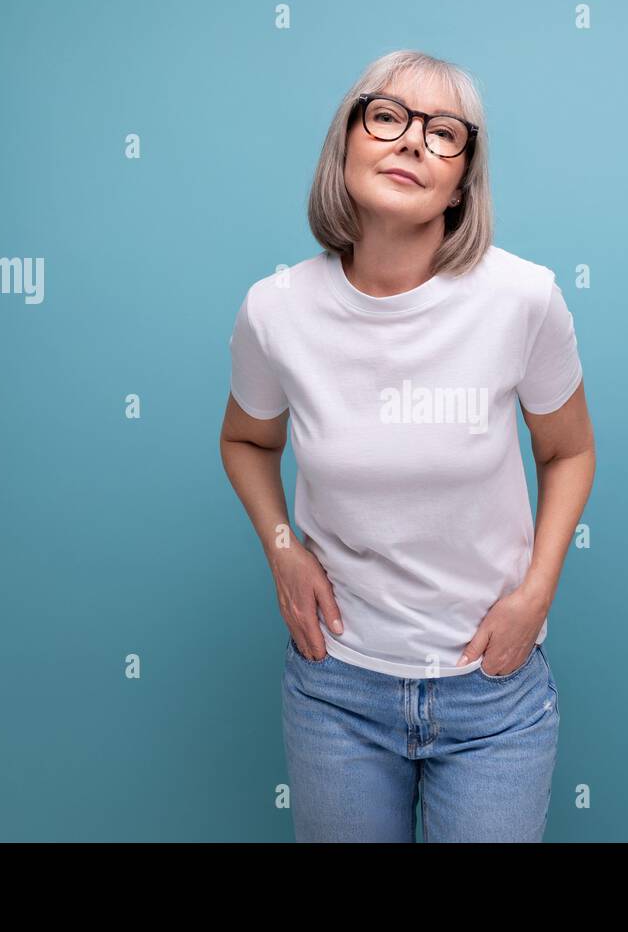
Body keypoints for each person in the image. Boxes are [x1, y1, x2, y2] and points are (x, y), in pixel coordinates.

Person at [220, 49, 596, 842]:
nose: (413, 141)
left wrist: (536, 596)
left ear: (462, 182)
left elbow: (568, 452)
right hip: (338, 694)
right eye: (387, 117)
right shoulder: (275, 312)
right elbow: (247, 441)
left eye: (444, 133)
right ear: (346, 143)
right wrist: (283, 548)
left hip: (493, 700)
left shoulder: (523, 300)